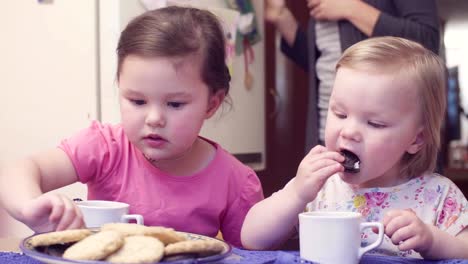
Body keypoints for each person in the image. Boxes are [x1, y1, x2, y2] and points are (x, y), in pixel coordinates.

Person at [0, 6, 263, 248]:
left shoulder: (235, 181)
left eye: (174, 104)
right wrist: (29, 207)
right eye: (137, 100)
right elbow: (15, 173)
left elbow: (250, 253)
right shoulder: (105, 147)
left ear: (211, 104)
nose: (154, 118)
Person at [241, 37, 468, 259]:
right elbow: (252, 239)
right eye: (340, 114)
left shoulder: (439, 196)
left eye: (375, 123)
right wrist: (296, 193)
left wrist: (433, 241)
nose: (348, 131)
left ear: (416, 140)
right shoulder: (319, 188)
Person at [265, 0, 440, 151]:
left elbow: (427, 43)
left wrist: (351, 8)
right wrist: (282, 17)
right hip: (328, 136)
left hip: (385, 150)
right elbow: (325, 66)